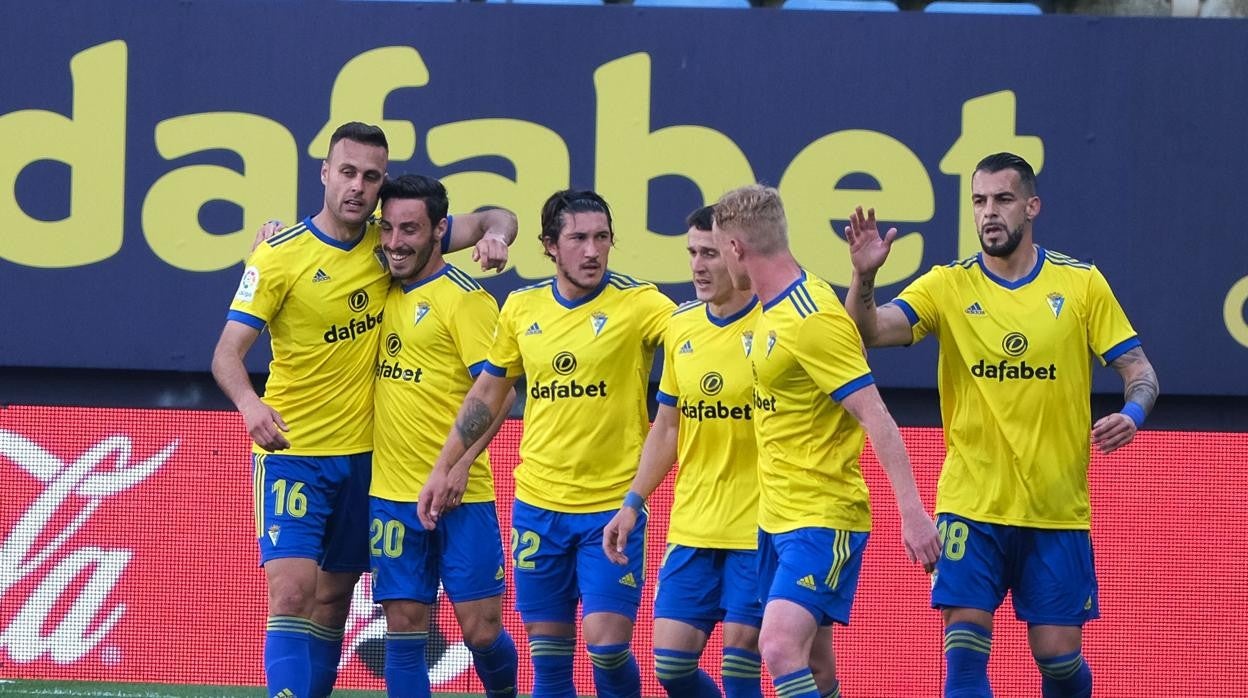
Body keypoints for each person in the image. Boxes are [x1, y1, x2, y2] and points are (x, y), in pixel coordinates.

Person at [211, 121, 515, 698]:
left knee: (332, 603)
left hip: (366, 464)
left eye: (370, 176)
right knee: (293, 592)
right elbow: (227, 352)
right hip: (292, 451)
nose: (357, 186)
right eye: (346, 172)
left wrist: (499, 235)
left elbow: (493, 217)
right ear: (324, 173)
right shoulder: (277, 257)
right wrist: (250, 405)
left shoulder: (393, 243)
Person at [843, 152, 1159, 698]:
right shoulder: (947, 285)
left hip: (1055, 510)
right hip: (971, 507)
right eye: (980, 201)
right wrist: (863, 277)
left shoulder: (1080, 285)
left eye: (1003, 199)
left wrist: (1133, 414)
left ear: (1031, 206)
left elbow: (1140, 372)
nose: (989, 212)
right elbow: (870, 331)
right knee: (964, 659)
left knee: (1058, 661)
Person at [420, 189, 676, 698]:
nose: (592, 250)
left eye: (602, 237)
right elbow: (488, 393)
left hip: (611, 507)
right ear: (549, 246)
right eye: (578, 238)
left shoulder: (640, 303)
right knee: (550, 658)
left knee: (606, 646)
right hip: (538, 506)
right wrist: (446, 465)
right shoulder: (521, 307)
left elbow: (700, 336)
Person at [711, 184, 940, 698]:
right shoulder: (782, 305)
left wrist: (913, 513)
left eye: (720, 248)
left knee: (775, 647)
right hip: (775, 519)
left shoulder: (809, 318)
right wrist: (863, 277)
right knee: (816, 671)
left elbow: (875, 414)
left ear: (737, 249)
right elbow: (850, 341)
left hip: (821, 518)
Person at [601, 205, 764, 698]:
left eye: (709, 253)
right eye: (692, 252)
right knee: (670, 666)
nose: (696, 265)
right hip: (694, 524)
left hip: (761, 526)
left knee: (741, 667)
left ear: (738, 254)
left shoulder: (779, 322)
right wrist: (633, 501)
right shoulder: (682, 326)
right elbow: (668, 426)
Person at [369, 174, 519, 697]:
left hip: (463, 495)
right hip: (391, 496)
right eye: (386, 228)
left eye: (409, 229)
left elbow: (501, 395)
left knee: (482, 632)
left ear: (439, 231)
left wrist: (458, 467)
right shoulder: (376, 281)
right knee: (405, 630)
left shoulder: (467, 302)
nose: (394, 242)